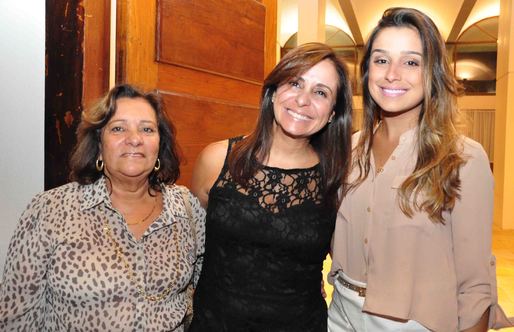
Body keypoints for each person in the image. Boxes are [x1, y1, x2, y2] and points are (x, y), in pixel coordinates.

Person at [328, 7, 514, 332]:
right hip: (339, 313)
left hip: (413, 323)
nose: (392, 74)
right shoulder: (347, 149)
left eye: (411, 62)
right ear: (367, 70)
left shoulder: (464, 158)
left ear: (433, 73)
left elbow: (475, 283)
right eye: (381, 60)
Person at [0, 84, 205, 331]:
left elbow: (210, 291)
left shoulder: (187, 208)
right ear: (99, 143)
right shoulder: (49, 210)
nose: (134, 139)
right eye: (118, 128)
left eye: (147, 129)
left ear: (159, 144)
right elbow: (16, 318)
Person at [189, 42, 353, 331]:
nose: (303, 100)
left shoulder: (337, 180)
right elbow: (191, 247)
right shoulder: (216, 160)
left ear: (332, 113)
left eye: (320, 92)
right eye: (295, 83)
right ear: (273, 91)